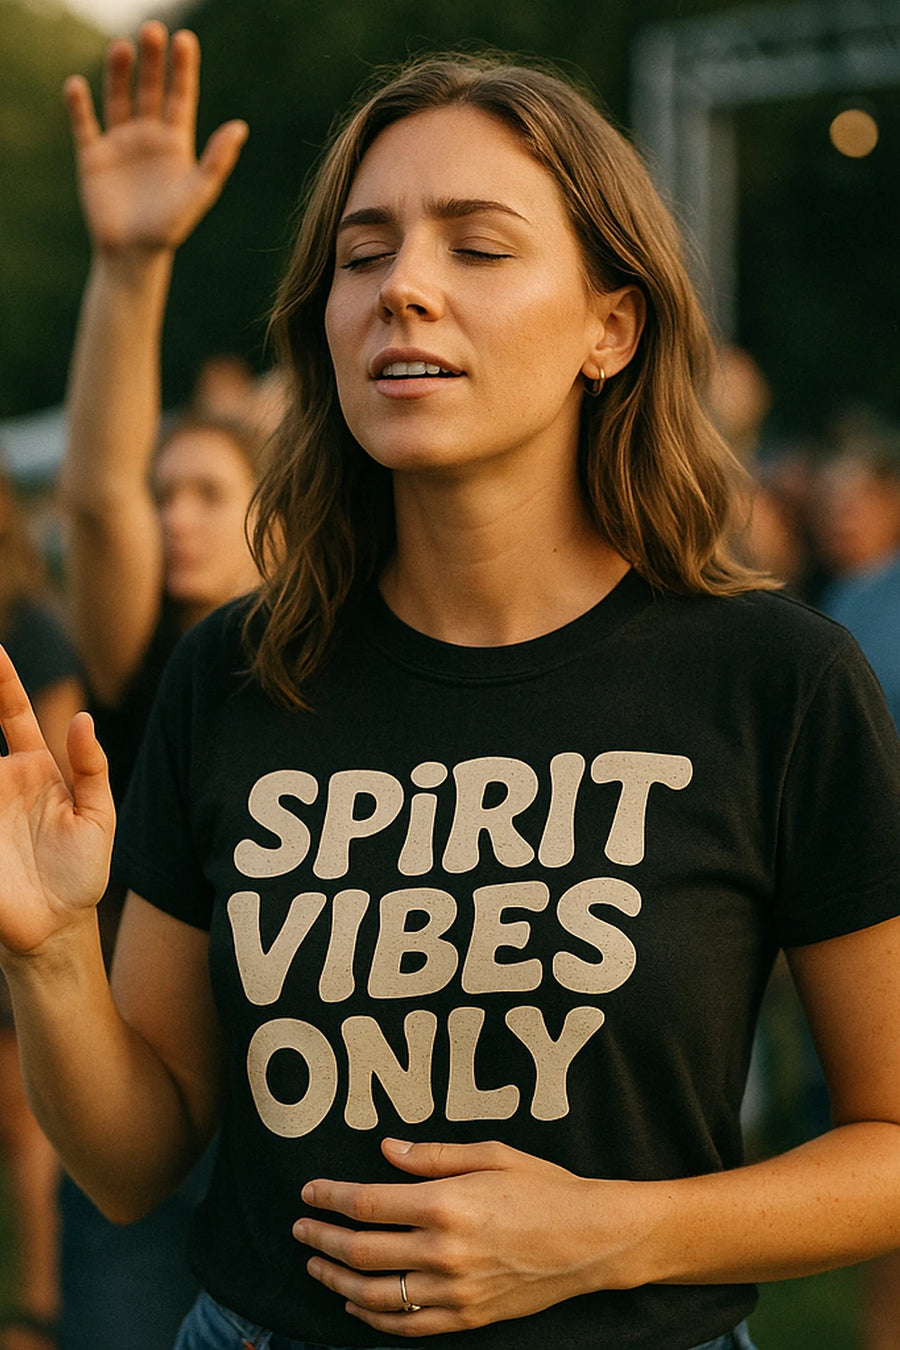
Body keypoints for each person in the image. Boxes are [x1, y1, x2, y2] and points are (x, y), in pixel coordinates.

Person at [2, 22, 900, 1350]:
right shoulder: (239, 673)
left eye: (476, 246)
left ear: (612, 326)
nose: (402, 288)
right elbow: (133, 1160)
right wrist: (52, 953)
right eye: (363, 254)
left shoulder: (775, 679)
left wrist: (615, 1228)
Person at [52, 28, 262, 1350]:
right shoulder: (155, 662)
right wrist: (132, 272)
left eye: (210, 493)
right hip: (147, 1102)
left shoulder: (329, 658)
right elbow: (93, 494)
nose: (173, 517)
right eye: (164, 491)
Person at [0, 463, 84, 1350]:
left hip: (19, 883)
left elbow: (53, 776)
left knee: (25, 1118)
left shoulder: (37, 633)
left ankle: (40, 1306)